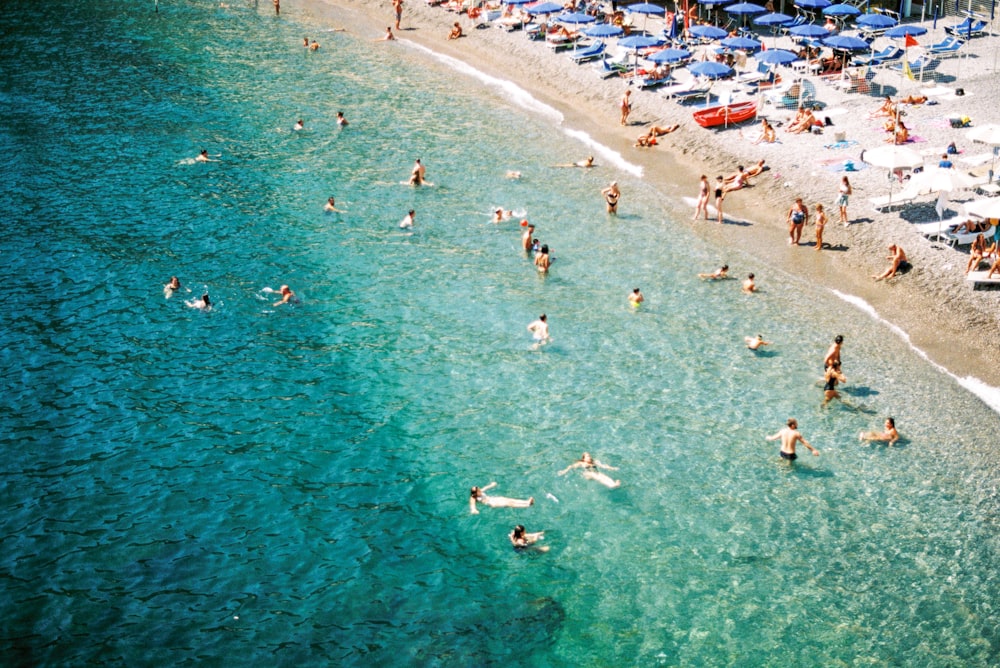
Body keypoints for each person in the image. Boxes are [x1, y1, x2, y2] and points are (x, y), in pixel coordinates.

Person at [469, 483, 534, 514]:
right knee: (509, 503)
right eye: (478, 490)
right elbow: (472, 505)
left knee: (510, 500)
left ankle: (527, 501)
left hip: (493, 499)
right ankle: (527, 505)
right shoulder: (473, 498)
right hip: (492, 503)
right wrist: (474, 510)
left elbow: (485, 488)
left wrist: (491, 485)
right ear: (475, 493)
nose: (480, 490)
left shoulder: (480, 492)